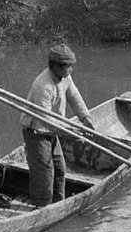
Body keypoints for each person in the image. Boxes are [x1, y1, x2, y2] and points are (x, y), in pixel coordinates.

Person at [20, 44, 95, 207]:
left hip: (53, 131)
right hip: (36, 132)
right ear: (55, 66)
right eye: (68, 66)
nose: (71, 70)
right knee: (44, 173)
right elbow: (45, 120)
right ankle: (42, 207)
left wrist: (85, 118)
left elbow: (75, 97)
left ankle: (58, 205)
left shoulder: (65, 77)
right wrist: (71, 133)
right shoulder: (43, 86)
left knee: (60, 169)